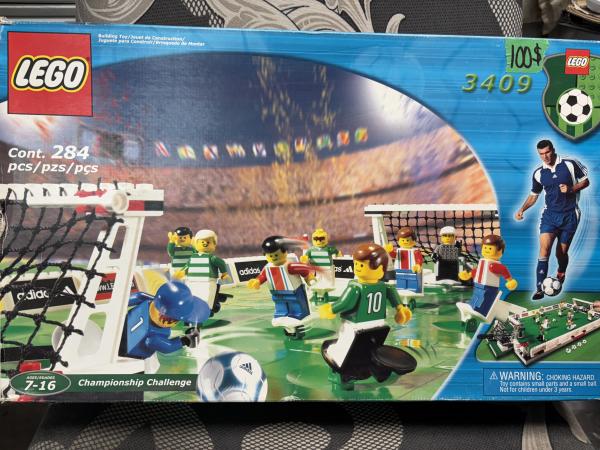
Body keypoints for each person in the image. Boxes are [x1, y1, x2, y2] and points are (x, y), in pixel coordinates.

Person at [515, 140, 589, 300]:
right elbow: (534, 195)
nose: (545, 156)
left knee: (561, 253)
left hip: (570, 215)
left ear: (553, 150)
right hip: (549, 216)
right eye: (541, 154)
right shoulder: (538, 173)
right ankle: (539, 289)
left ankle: (561, 271)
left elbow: (585, 181)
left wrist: (571, 189)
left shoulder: (570, 163)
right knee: (544, 250)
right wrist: (522, 209)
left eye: (547, 152)